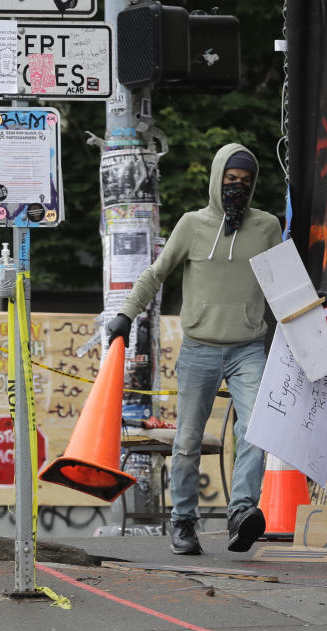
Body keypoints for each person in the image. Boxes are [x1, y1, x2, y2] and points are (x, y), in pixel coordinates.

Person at [107, 143, 281, 555]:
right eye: (231, 180)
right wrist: (126, 316)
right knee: (186, 441)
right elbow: (156, 274)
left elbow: (284, 283)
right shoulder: (192, 224)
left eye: (246, 181)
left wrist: (311, 304)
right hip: (200, 347)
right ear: (217, 179)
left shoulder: (267, 228)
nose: (238, 187)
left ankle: (241, 512)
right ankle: (183, 522)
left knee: (255, 429)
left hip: (248, 348)